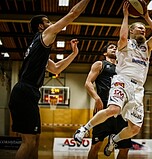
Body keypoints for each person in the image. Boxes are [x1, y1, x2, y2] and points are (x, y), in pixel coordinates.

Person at [73, 0, 152, 156]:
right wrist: (126, 15)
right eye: (139, 28)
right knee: (114, 109)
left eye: (144, 29)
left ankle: (115, 140)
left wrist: (147, 17)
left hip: (138, 88)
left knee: (135, 128)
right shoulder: (124, 44)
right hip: (123, 81)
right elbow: (122, 36)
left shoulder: (147, 47)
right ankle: (83, 130)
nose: (143, 30)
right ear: (132, 31)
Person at [8, 1, 90, 159]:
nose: (51, 23)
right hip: (25, 91)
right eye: (47, 21)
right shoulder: (43, 36)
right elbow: (72, 14)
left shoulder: (38, 48)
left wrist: (73, 54)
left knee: (35, 139)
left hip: (28, 93)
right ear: (40, 26)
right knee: (28, 142)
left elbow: (56, 69)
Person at [85, 43, 131, 159]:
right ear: (105, 53)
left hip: (121, 110)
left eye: (116, 47)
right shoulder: (100, 64)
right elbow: (88, 83)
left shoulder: (124, 68)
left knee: (124, 148)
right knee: (96, 146)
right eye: (111, 47)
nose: (115, 48)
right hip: (104, 108)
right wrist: (97, 98)